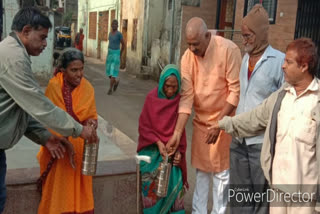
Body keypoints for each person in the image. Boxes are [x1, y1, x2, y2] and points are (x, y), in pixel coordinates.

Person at [0, 7, 94, 213]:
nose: (45, 44)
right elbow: (41, 108)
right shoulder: (13, 57)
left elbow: (22, 110)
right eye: (42, 38)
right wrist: (80, 130)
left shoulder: (15, 53)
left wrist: (45, 137)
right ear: (25, 31)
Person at [211, 38, 319, 214]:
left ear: (304, 66)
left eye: (288, 62)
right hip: (277, 192)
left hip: (304, 200)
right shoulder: (281, 97)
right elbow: (254, 118)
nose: (283, 66)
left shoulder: (317, 101)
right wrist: (224, 123)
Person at [166, 17, 242, 214]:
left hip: (224, 121)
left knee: (221, 174)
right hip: (201, 123)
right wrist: (177, 132)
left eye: (196, 44)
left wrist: (219, 123)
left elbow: (235, 92)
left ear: (208, 36)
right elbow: (186, 98)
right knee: (201, 173)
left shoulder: (229, 50)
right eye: (188, 44)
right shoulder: (186, 58)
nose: (192, 49)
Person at [228, 4, 284, 214]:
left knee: (260, 201)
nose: (244, 40)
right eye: (242, 35)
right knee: (239, 197)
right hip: (238, 141)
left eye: (248, 35)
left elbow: (284, 104)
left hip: (260, 144)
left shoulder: (278, 62)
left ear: (260, 34)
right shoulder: (245, 58)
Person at [38, 48, 98, 214]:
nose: (79, 74)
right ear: (63, 71)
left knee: (81, 192)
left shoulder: (88, 88)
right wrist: (63, 137)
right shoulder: (54, 86)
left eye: (81, 69)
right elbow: (48, 119)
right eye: (74, 70)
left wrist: (91, 124)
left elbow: (91, 116)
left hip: (80, 150)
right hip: (59, 149)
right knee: (59, 192)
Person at [137, 64, 188, 213]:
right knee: (151, 182)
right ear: (161, 84)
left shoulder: (180, 102)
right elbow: (144, 127)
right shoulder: (151, 99)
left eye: (174, 87)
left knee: (174, 176)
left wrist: (178, 153)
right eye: (167, 86)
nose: (170, 91)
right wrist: (158, 143)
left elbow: (181, 132)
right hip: (152, 150)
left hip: (171, 152)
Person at [106, 19, 125, 95]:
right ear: (111, 25)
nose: (114, 25)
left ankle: (110, 89)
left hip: (116, 54)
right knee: (108, 73)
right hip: (110, 54)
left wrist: (120, 54)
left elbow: (123, 44)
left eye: (115, 24)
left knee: (113, 72)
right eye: (113, 24)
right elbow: (110, 43)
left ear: (117, 26)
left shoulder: (119, 34)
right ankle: (115, 82)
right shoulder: (110, 34)